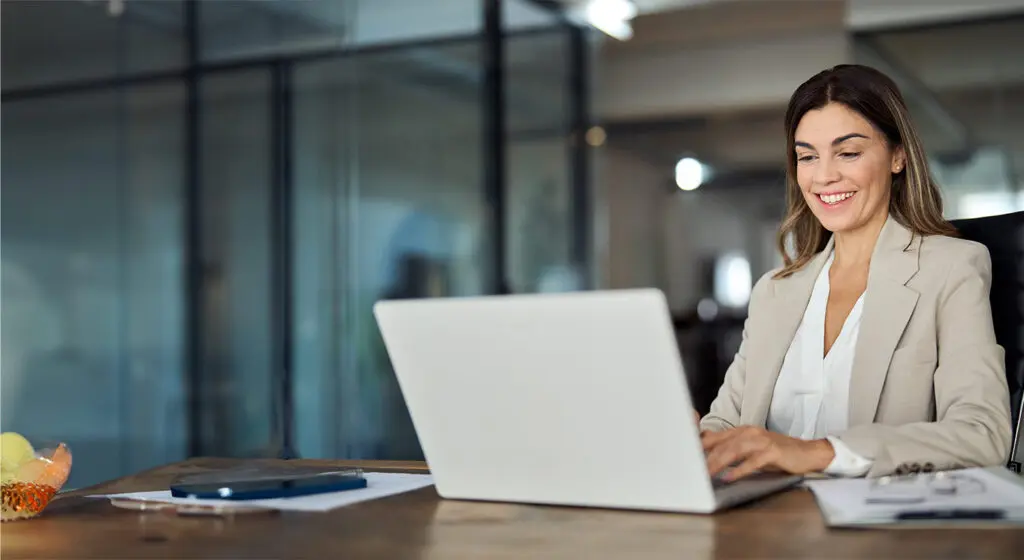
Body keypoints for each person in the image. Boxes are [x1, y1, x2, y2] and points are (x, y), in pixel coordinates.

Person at [697, 64, 1012, 481]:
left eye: (848, 152)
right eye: (807, 156)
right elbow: (726, 426)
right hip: (766, 521)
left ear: (897, 156)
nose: (824, 175)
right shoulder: (775, 291)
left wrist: (817, 453)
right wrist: (688, 440)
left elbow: (982, 434)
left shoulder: (950, 268)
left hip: (877, 532)